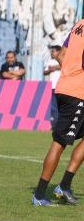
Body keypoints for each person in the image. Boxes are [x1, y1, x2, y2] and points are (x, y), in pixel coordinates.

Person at [32, 24, 83, 207]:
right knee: (59, 143)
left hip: (66, 87)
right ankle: (39, 194)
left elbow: (61, 56)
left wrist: (70, 75)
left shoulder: (79, 25)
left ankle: (65, 186)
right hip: (77, 93)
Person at [45, 45, 62, 127]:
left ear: (59, 52)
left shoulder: (62, 60)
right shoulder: (50, 61)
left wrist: (54, 68)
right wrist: (49, 70)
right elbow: (44, 71)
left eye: (53, 51)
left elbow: (64, 65)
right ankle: (55, 125)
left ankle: (61, 125)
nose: (51, 53)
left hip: (61, 87)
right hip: (52, 87)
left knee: (61, 107)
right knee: (53, 107)